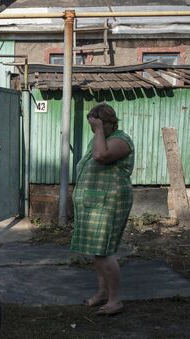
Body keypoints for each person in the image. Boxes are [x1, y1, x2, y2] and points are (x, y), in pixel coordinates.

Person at [70, 103, 134, 316]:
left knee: (105, 252)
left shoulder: (121, 140)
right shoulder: (100, 138)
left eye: (96, 125)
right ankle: (101, 293)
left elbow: (101, 157)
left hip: (109, 203)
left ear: (108, 122)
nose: (93, 130)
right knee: (98, 252)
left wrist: (98, 132)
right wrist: (97, 132)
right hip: (95, 202)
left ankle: (114, 300)